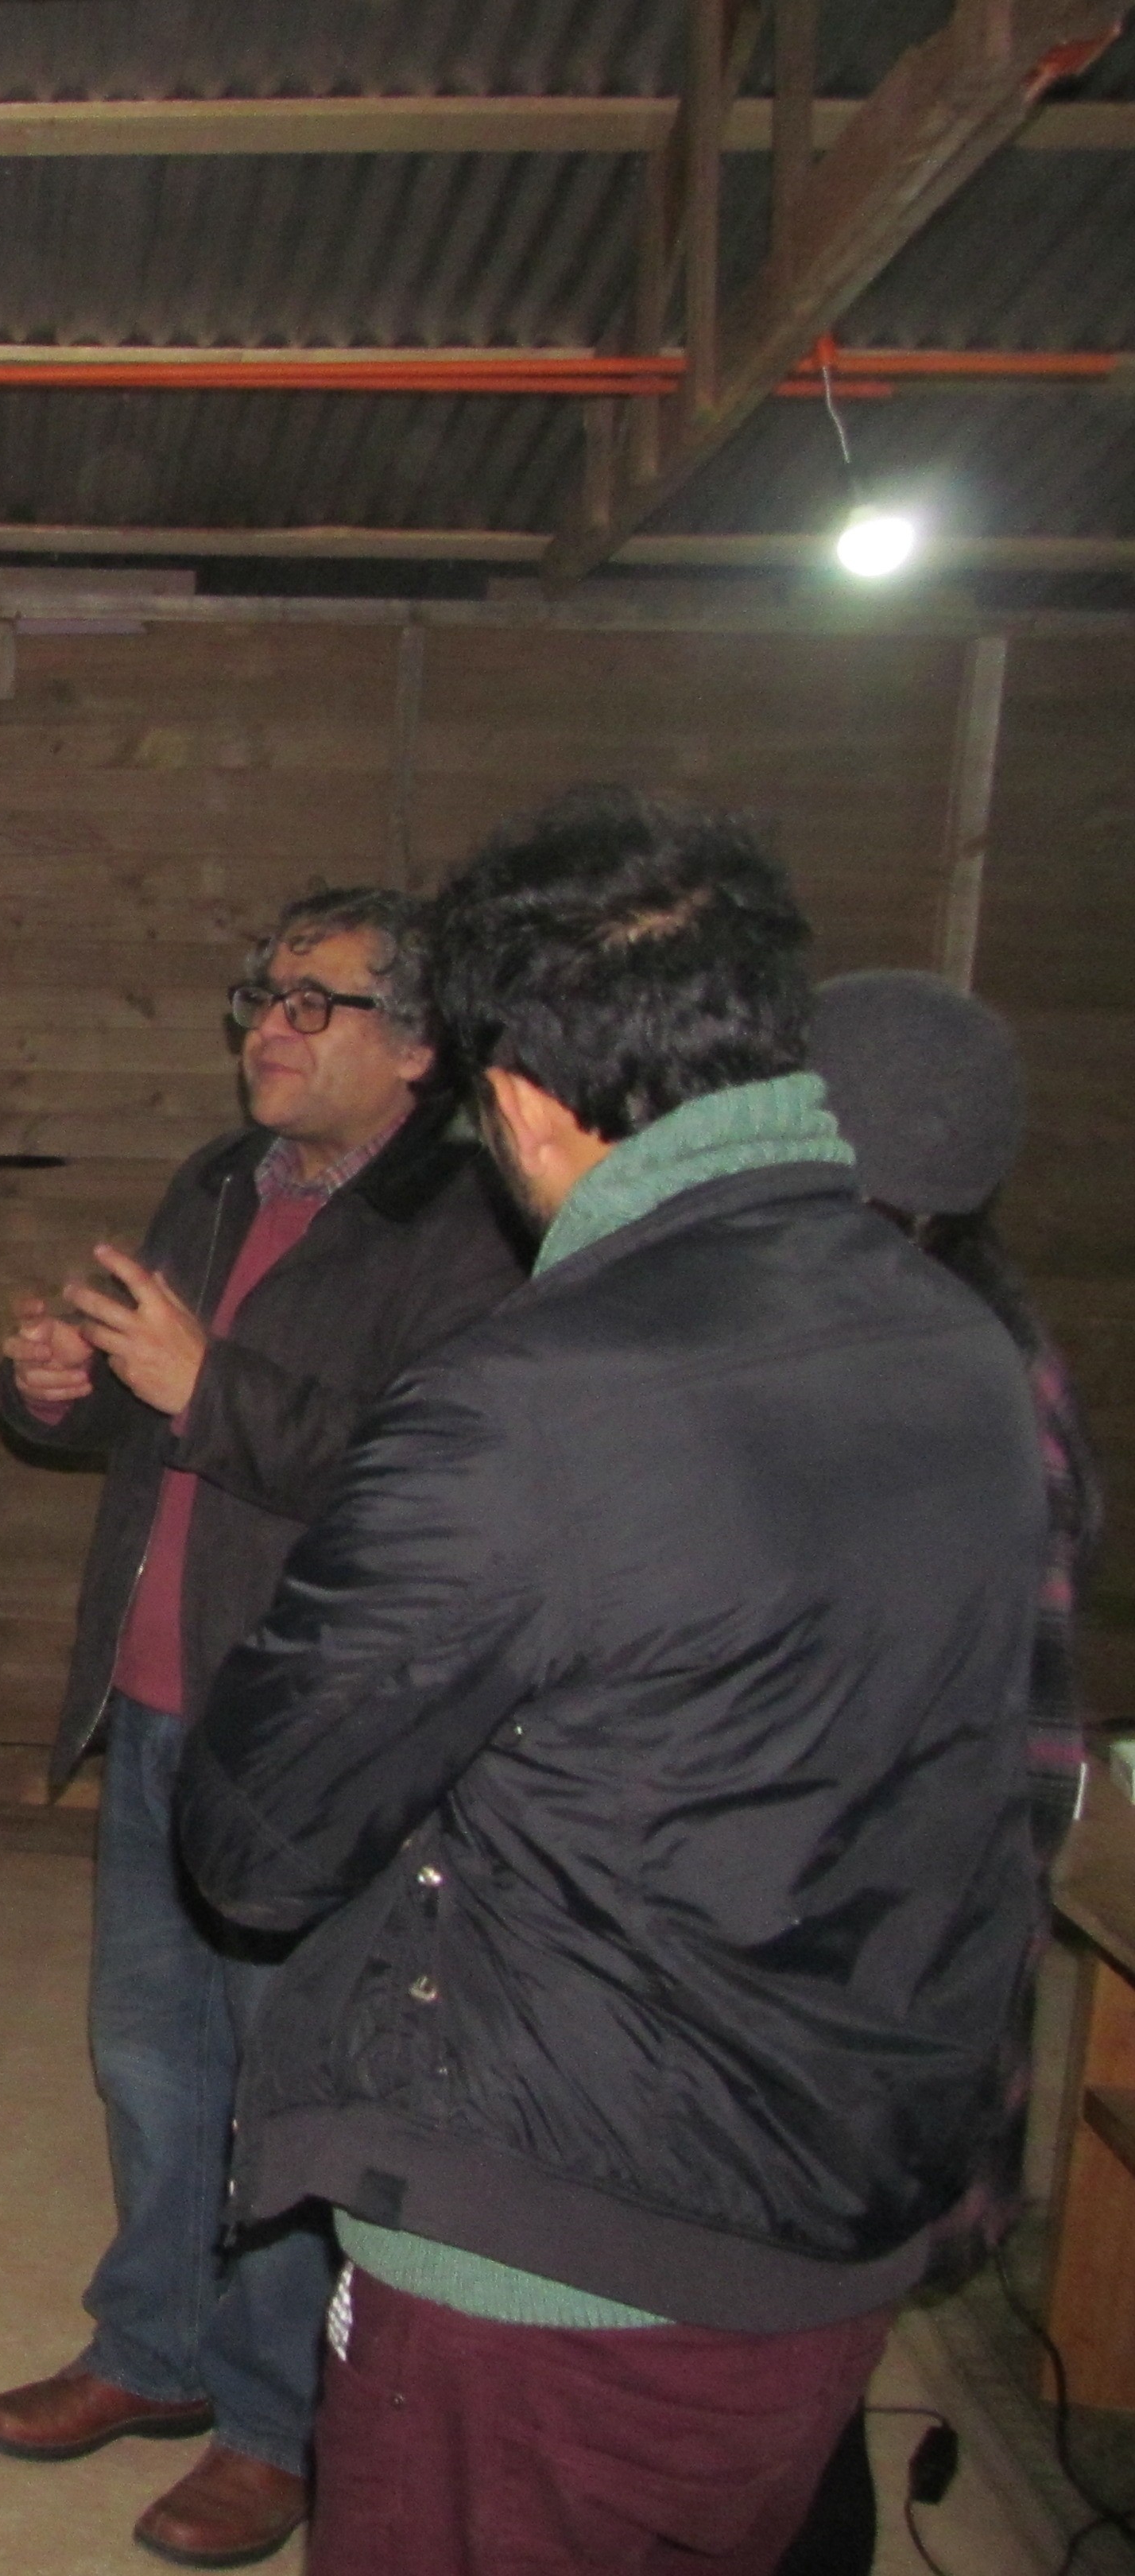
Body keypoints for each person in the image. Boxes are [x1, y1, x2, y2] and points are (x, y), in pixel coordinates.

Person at [174, 790, 1045, 2576]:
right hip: (835, 2223)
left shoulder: (537, 1395)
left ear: (519, 1098)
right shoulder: (957, 1342)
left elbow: (254, 1842)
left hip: (555, 2248)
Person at [0, 885, 521, 2572]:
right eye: (259, 996)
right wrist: (55, 1391)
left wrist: (203, 1381)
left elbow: (431, 1490)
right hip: (153, 1707)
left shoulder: (472, 1230)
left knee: (289, 2094)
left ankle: (277, 2426)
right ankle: (152, 2348)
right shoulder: (221, 1182)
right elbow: (144, 1425)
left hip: (309, 1739)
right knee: (150, 2059)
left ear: (416, 1047)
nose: (266, 1027)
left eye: (311, 1002)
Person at [768, 970, 1104, 2576]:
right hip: (859, 2007)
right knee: (785, 2409)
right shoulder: (954, 1341)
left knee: (777, 2433)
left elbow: (963, 1781)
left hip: (850, 2015)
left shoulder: (933, 1391)